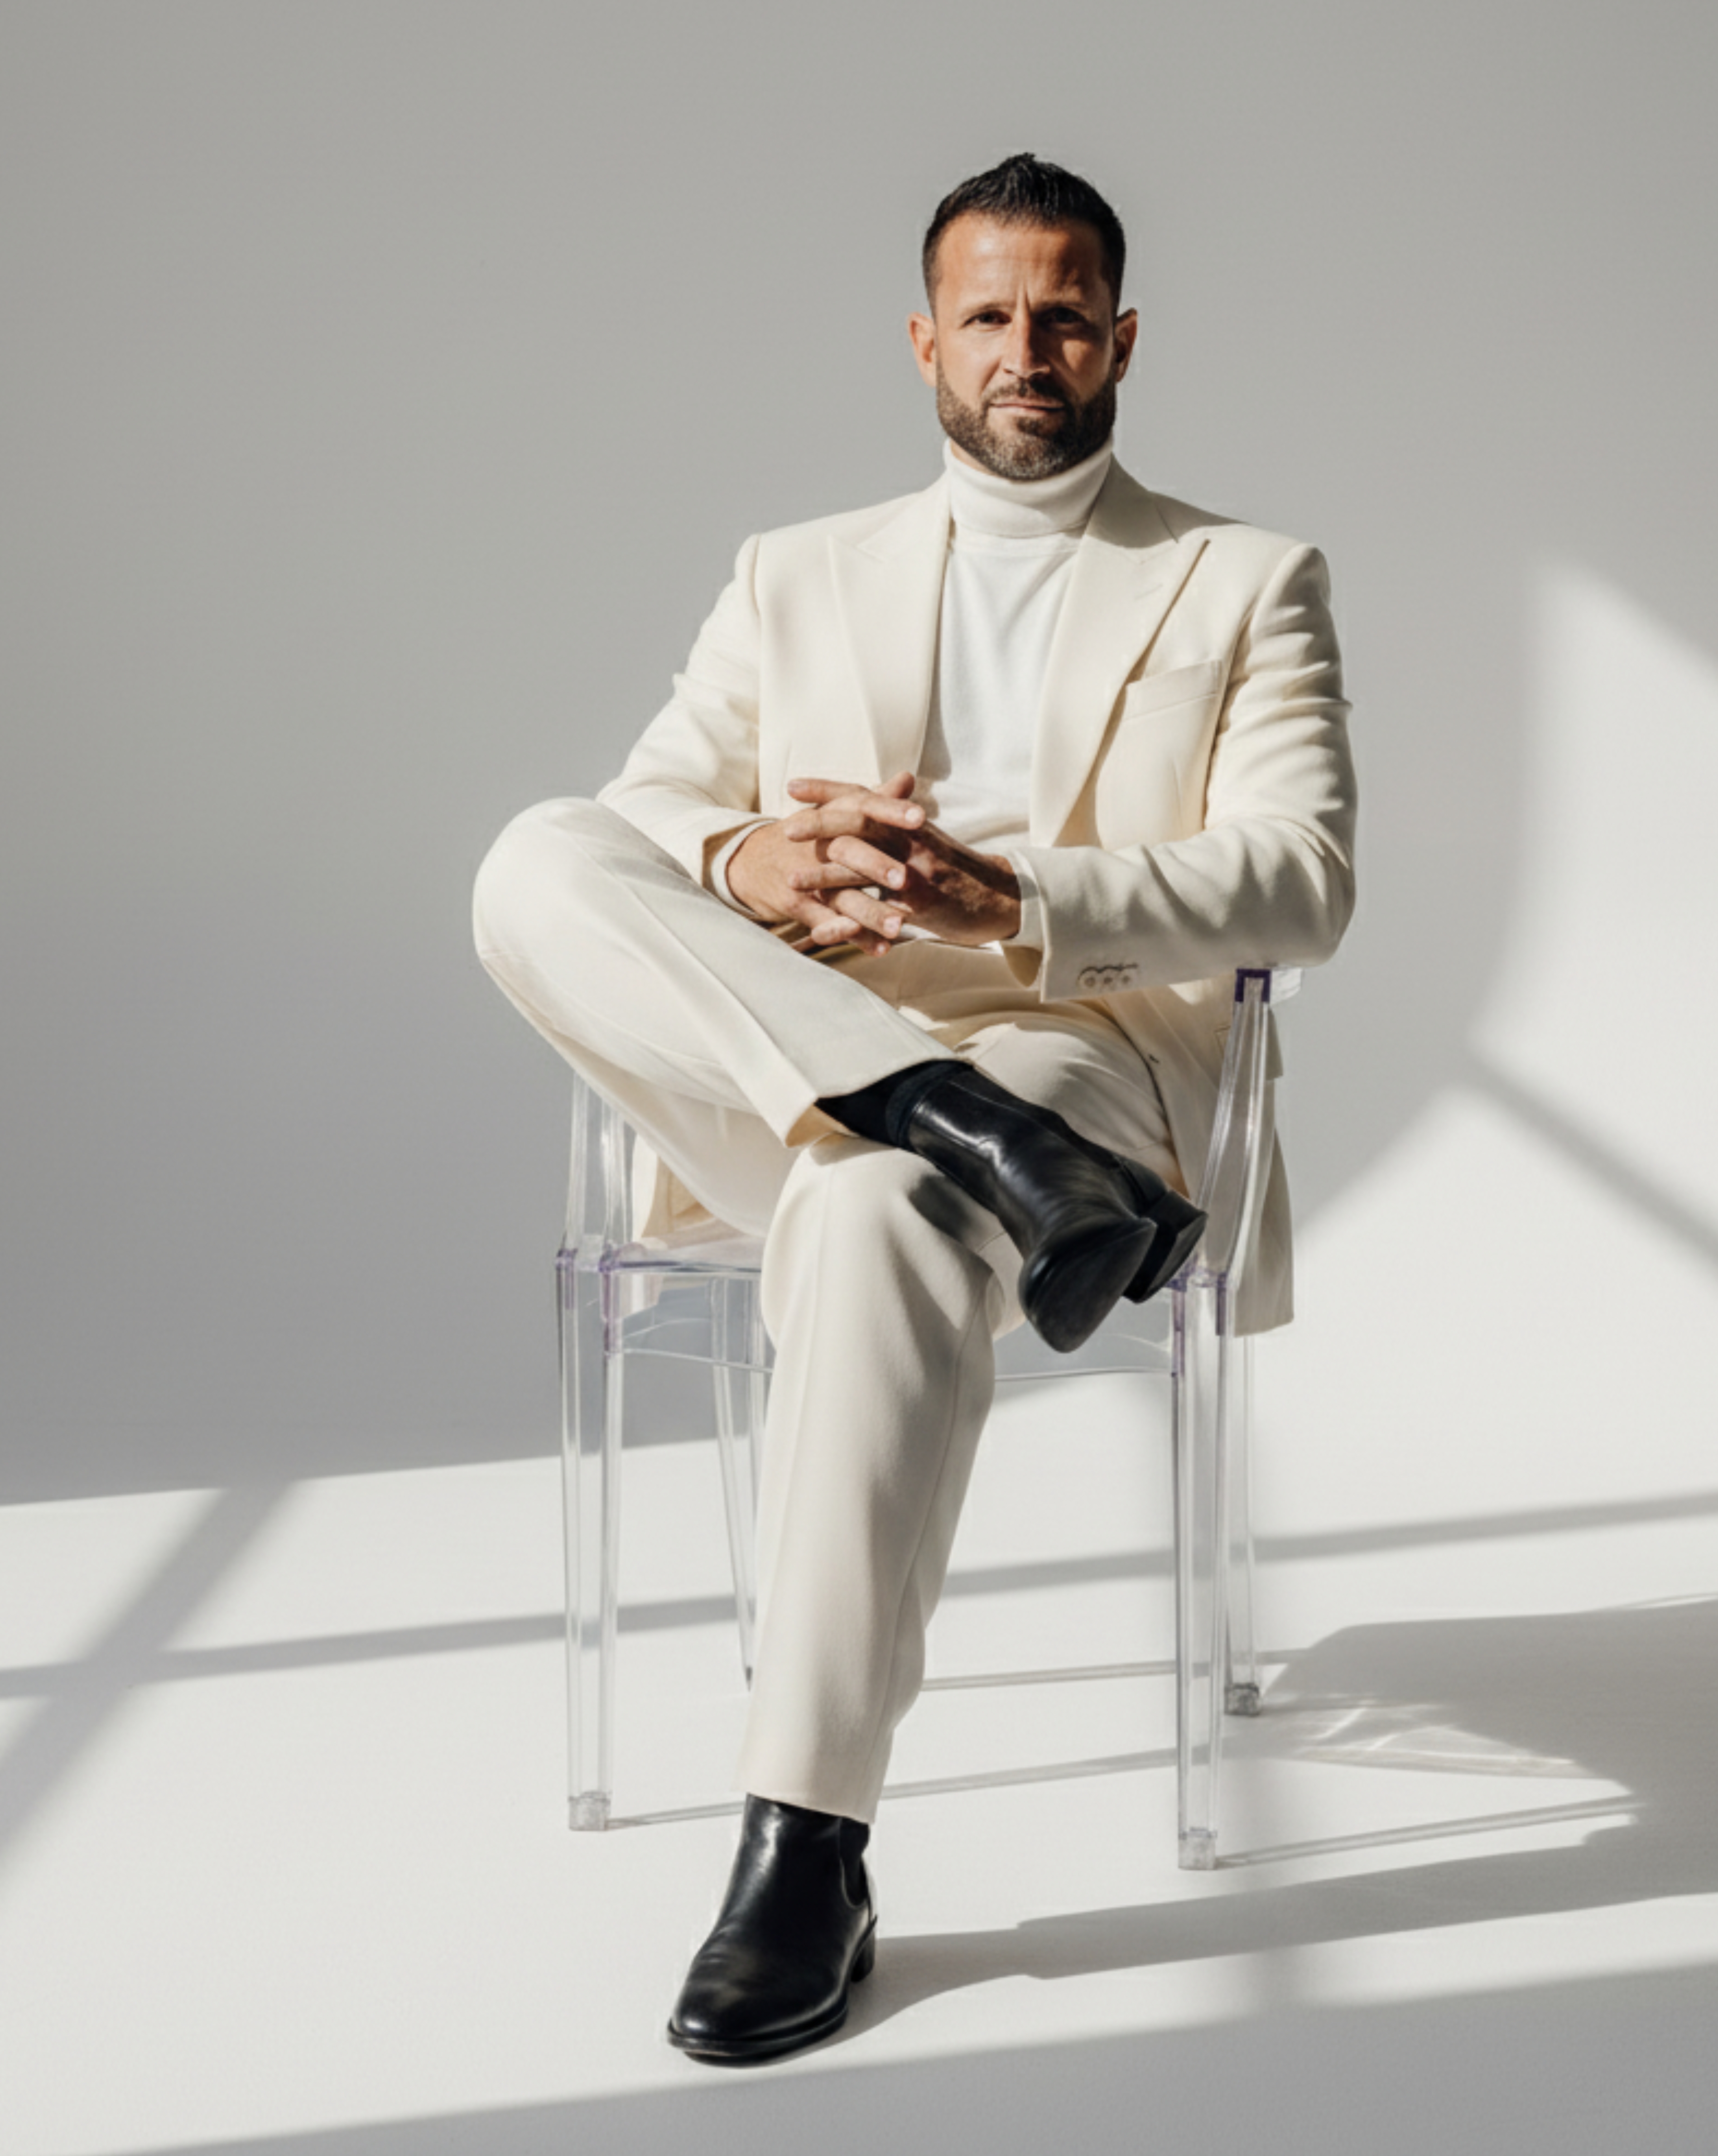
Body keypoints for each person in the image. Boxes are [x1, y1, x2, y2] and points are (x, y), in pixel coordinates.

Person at [472, 152, 1357, 2062]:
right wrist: (750, 861)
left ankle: (804, 1846)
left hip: (1077, 1046)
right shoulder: (791, 571)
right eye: (988, 315)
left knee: (874, 1209)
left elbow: (1304, 880)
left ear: (1121, 339)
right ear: (923, 341)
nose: (1025, 348)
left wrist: (1019, 897)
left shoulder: (1243, 575)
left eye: (1064, 316)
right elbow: (644, 814)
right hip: (802, 1041)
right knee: (535, 853)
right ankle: (956, 1127)